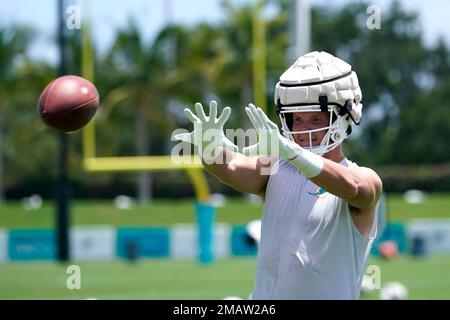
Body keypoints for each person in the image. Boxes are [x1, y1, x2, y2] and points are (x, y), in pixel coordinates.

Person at [175, 51, 383, 299]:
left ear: (345, 116)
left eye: (316, 118)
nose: (304, 129)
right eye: (297, 119)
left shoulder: (362, 177)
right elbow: (229, 167)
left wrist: (292, 152)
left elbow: (354, 188)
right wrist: (208, 148)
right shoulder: (277, 168)